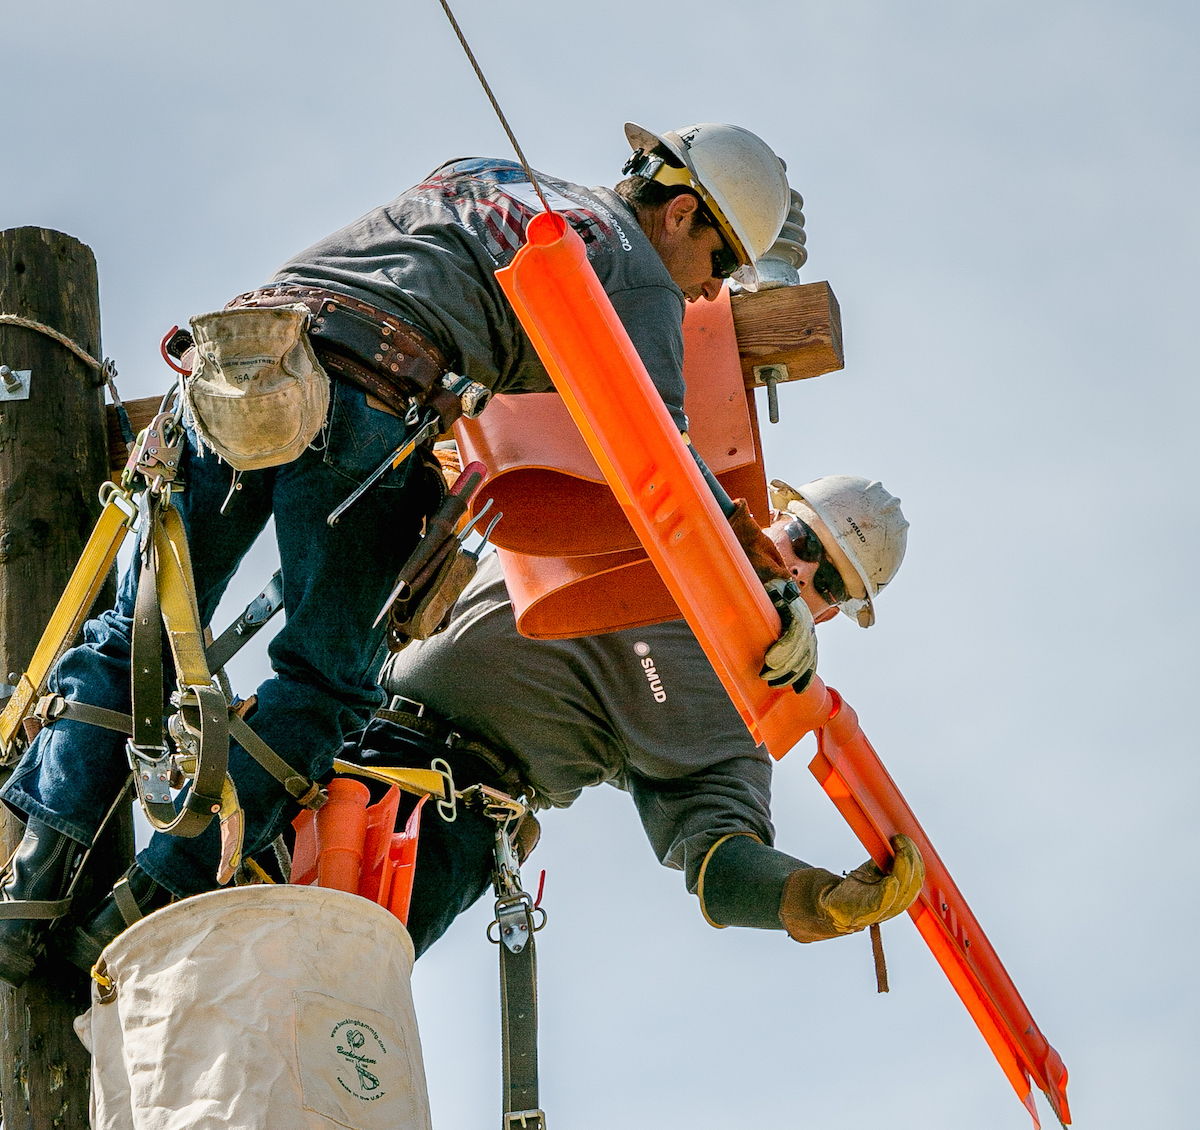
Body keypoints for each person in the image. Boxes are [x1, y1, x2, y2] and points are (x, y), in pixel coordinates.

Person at [0, 121, 808, 986]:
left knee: (140, 636)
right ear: (681, 213)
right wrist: (762, 578)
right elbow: (655, 458)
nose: (706, 294)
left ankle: (30, 893)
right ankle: (134, 921)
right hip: (369, 401)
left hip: (240, 363)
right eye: (719, 268)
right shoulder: (639, 271)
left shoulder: (489, 172)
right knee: (323, 688)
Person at [341, 473, 923, 960]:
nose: (799, 569)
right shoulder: (655, 510)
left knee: (334, 965)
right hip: (344, 715)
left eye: (825, 581)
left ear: (829, 615)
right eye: (804, 541)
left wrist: (815, 902)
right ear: (774, 516)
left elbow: (719, 858)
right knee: (250, 871)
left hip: (451, 816)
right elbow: (604, 426)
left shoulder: (733, 712)